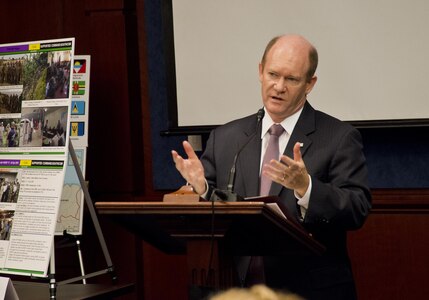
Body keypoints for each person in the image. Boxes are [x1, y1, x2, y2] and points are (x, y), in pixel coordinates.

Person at [171, 34, 371, 300]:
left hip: (307, 290)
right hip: (233, 288)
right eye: (273, 74)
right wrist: (202, 188)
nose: (278, 86)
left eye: (291, 79)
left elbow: (356, 208)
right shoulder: (226, 138)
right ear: (260, 71)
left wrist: (307, 188)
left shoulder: (338, 137)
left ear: (310, 84)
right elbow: (214, 210)